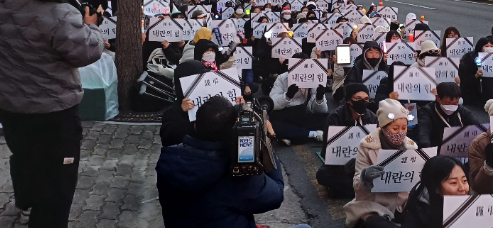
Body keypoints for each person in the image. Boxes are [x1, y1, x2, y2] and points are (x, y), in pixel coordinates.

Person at [0, 0, 104, 227]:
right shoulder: (56, 12)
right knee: (57, 185)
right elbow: (87, 52)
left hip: (9, 103)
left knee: (24, 157)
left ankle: (26, 201)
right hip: (53, 111)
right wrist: (91, 25)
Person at [156, 96, 297, 228]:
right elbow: (276, 195)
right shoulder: (235, 172)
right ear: (233, 133)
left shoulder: (168, 160)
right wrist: (267, 145)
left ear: (195, 126)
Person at [344, 99, 418, 228]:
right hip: (374, 205)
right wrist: (365, 177)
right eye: (395, 128)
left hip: (403, 205)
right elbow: (357, 186)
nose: (400, 132)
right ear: (383, 127)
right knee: (375, 224)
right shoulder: (367, 146)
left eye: (404, 128)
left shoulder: (412, 147)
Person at [317, 83, 378, 197]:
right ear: (349, 100)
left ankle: (350, 190)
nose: (362, 102)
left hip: (365, 166)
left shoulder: (372, 118)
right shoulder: (335, 117)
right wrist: (345, 166)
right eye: (358, 99)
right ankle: (359, 190)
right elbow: (327, 152)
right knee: (323, 175)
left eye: (366, 99)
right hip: (341, 167)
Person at [270, 53, 329, 144]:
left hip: (305, 115)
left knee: (329, 118)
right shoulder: (282, 78)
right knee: (273, 124)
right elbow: (272, 104)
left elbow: (321, 111)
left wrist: (319, 98)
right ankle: (313, 134)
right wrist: (288, 95)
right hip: (285, 114)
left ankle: (292, 135)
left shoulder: (314, 78)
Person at [401, 156, 469, 228]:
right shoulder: (417, 217)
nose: (462, 188)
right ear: (435, 187)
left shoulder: (472, 207)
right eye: (454, 183)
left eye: (464, 181)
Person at [416, 83, 479, 148]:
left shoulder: (461, 111)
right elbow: (423, 133)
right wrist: (427, 148)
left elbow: (478, 128)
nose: (451, 106)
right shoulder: (427, 111)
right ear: (438, 98)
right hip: (437, 149)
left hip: (459, 149)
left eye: (455, 103)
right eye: (448, 103)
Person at [458, 37, 493, 107]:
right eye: (486, 46)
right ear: (480, 47)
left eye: (491, 46)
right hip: (472, 94)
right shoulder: (469, 59)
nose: (489, 48)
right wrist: (475, 76)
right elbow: (464, 80)